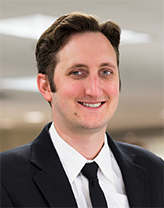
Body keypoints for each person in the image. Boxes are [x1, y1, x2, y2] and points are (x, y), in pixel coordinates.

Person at [0, 12, 163, 208]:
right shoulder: (6, 177)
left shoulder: (155, 171)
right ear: (45, 86)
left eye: (106, 72)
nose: (94, 90)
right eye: (77, 72)